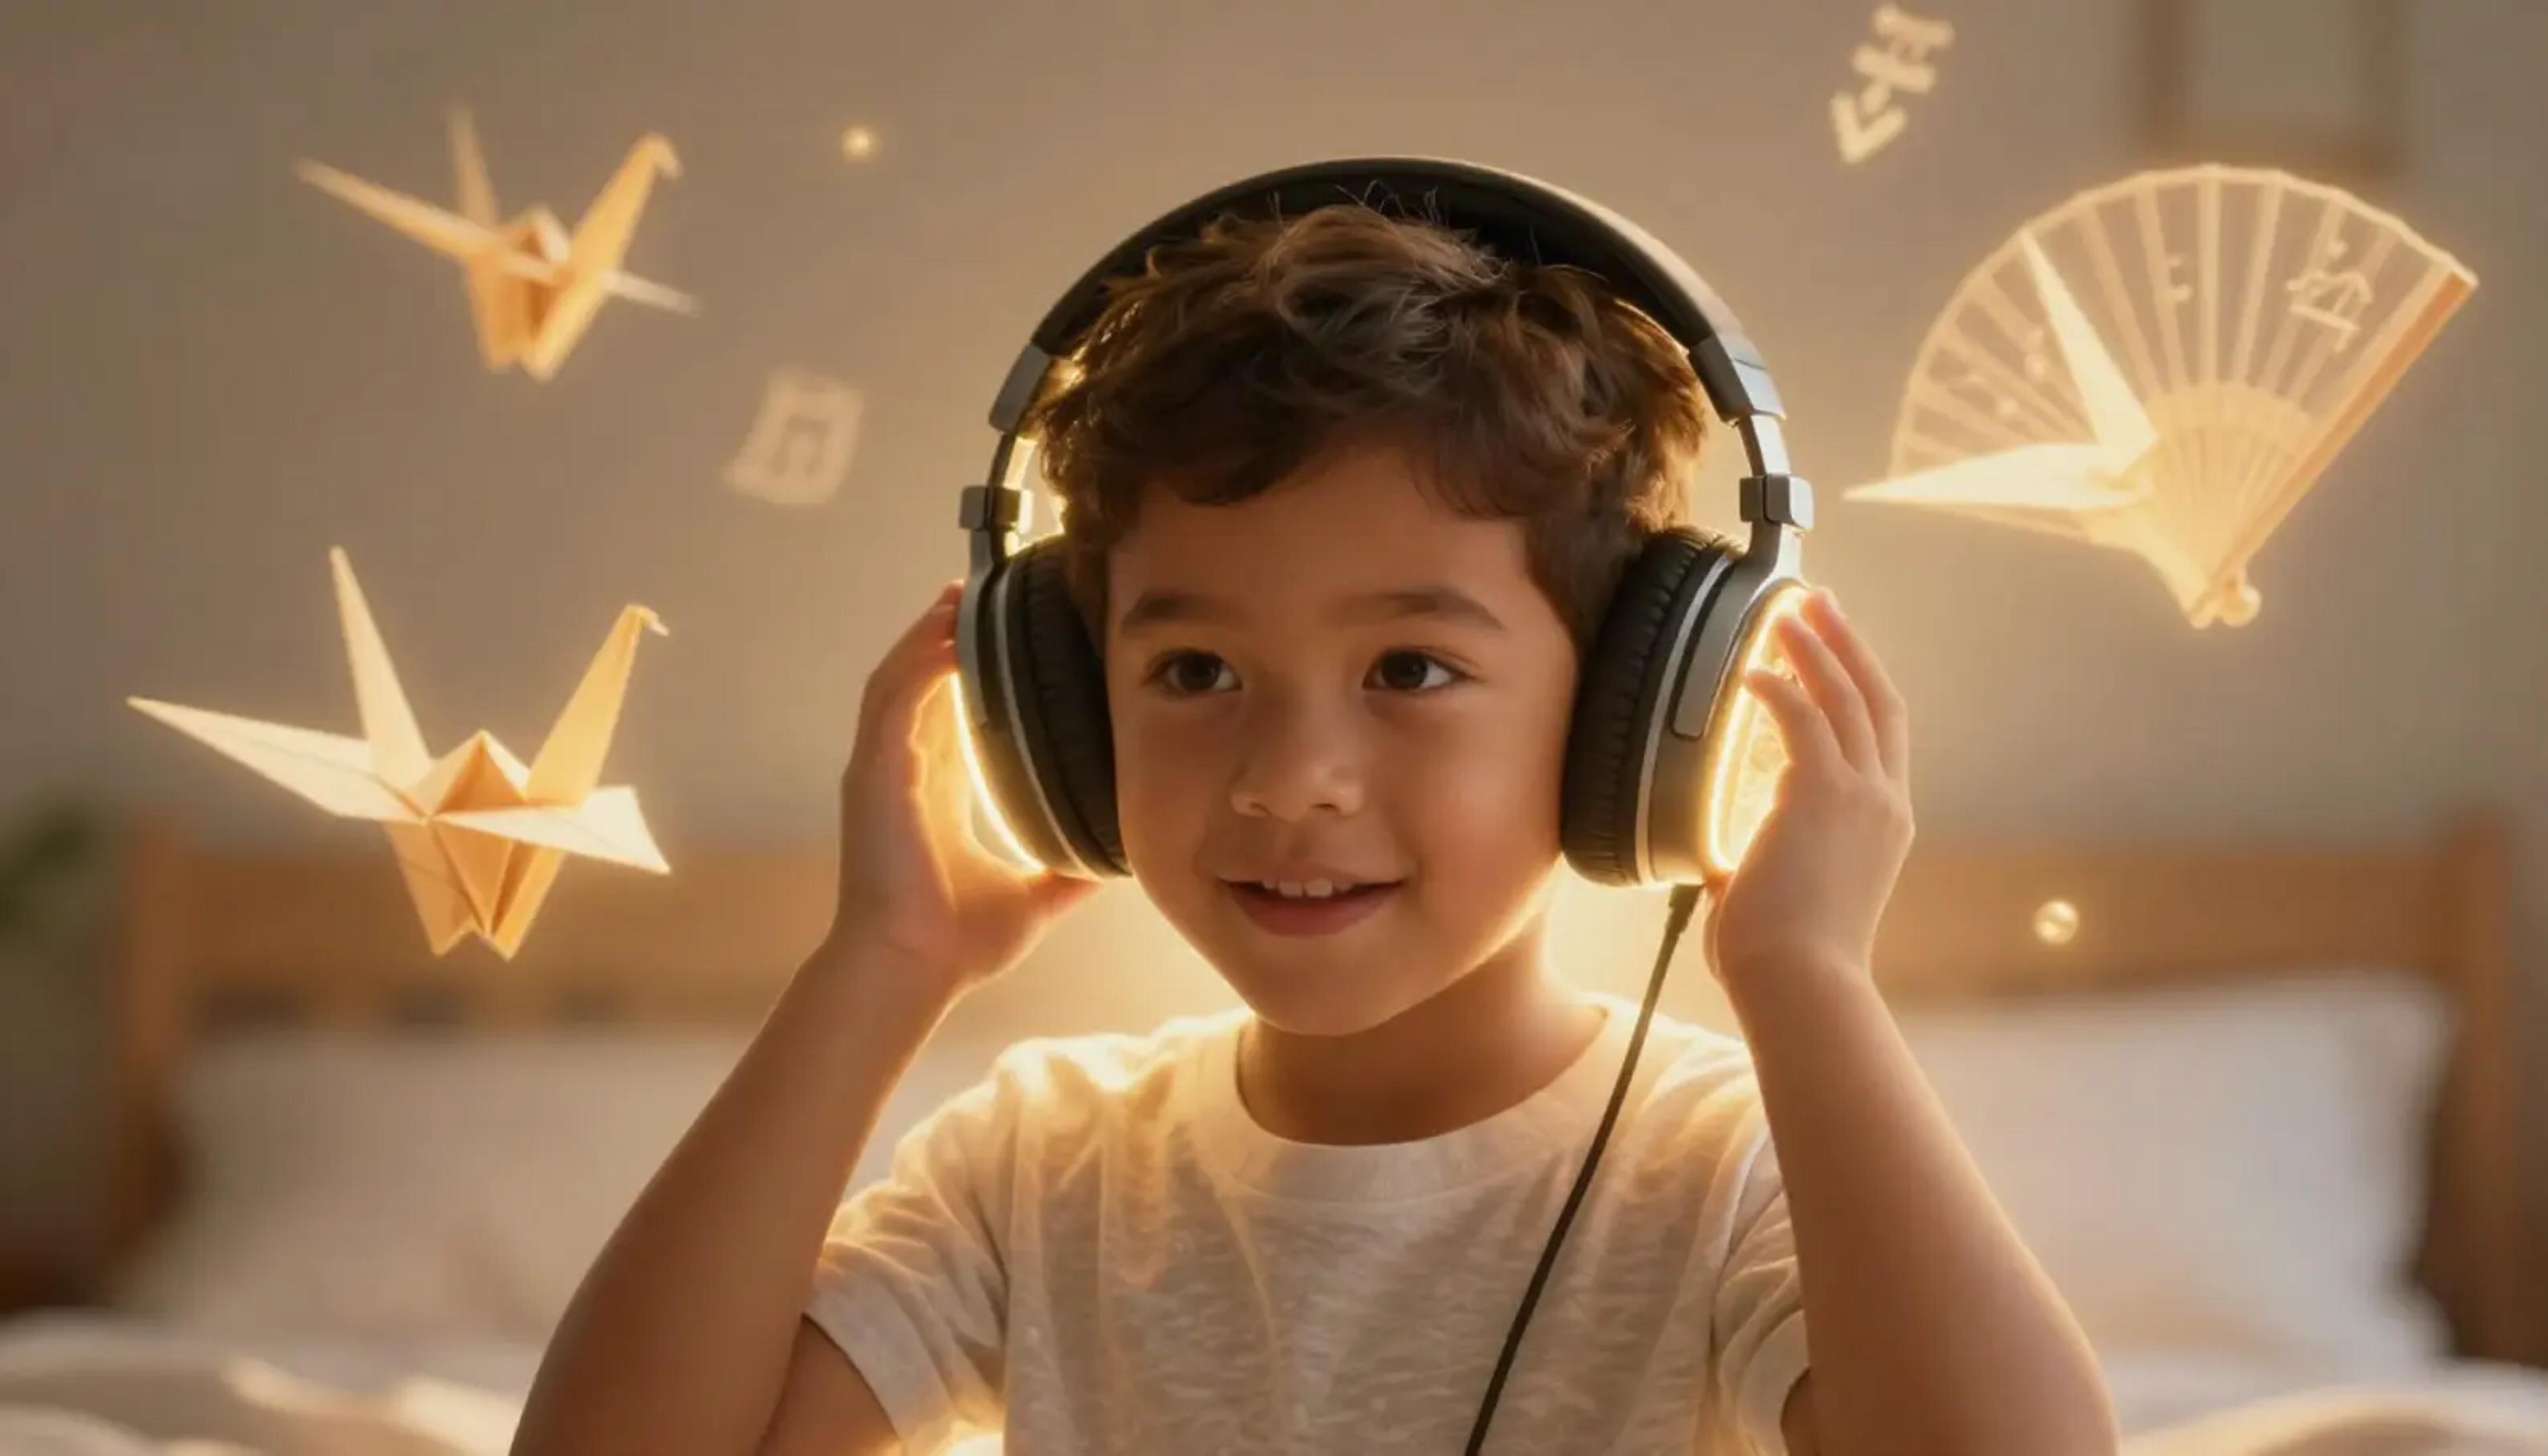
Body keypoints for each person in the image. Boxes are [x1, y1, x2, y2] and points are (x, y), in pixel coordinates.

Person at [512, 202, 2116, 1456]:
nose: (1292, 777)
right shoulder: (1044, 1165)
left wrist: (1811, 984)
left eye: (1412, 667)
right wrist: (879, 963)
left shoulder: (1725, 1170)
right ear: (1061, 711)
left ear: (1642, 711)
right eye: (1193, 669)